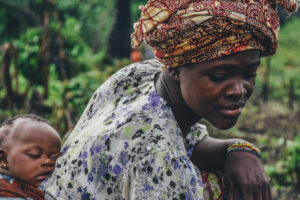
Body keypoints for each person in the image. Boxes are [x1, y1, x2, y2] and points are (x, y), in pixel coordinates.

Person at [43, 0, 299, 199]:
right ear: (175, 69)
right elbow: (165, 149)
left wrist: (239, 149)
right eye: (219, 75)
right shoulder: (162, 162)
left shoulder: (138, 76)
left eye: (249, 74)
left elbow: (188, 141)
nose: (238, 90)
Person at [0, 114, 61, 200]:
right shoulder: (5, 192)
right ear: (3, 159)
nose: (48, 161)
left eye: (54, 157)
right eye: (34, 155)